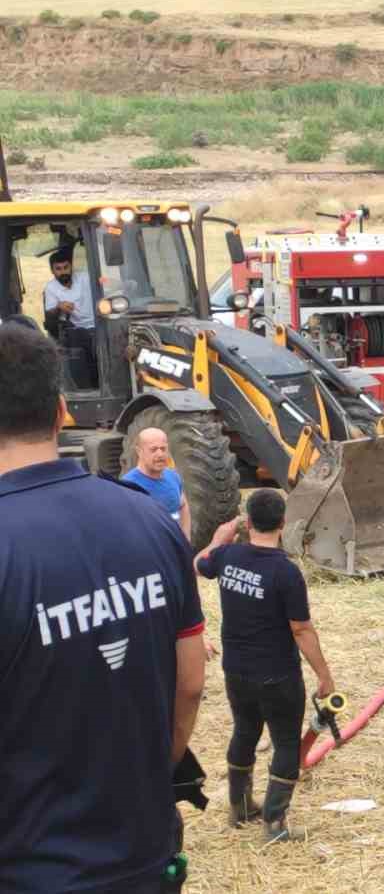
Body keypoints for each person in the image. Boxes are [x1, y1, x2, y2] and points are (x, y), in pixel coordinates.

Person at [0, 322, 206, 892]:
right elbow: (190, 681)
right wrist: (149, 780)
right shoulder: (146, 519)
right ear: (63, 411)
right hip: (144, 853)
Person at [195, 489, 335, 844]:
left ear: (248, 521)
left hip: (237, 670)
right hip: (277, 674)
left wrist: (217, 539)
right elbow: (301, 629)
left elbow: (198, 564)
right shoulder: (285, 573)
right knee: (286, 741)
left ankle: (239, 807)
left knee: (245, 730)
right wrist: (324, 674)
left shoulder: (227, 556)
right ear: (283, 523)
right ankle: (274, 824)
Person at [122, 428, 192, 540]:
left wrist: (186, 539)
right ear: (139, 451)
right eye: (153, 449)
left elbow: (183, 505)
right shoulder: (128, 485)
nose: (160, 454)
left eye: (163, 449)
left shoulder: (173, 476)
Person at [42, 248, 98, 389]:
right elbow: (49, 315)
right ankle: (86, 387)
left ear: (71, 266)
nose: (63, 272)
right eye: (58, 269)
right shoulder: (51, 288)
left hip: (98, 324)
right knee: (78, 344)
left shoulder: (85, 278)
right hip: (76, 328)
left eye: (66, 267)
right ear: (52, 271)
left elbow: (103, 283)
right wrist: (59, 307)